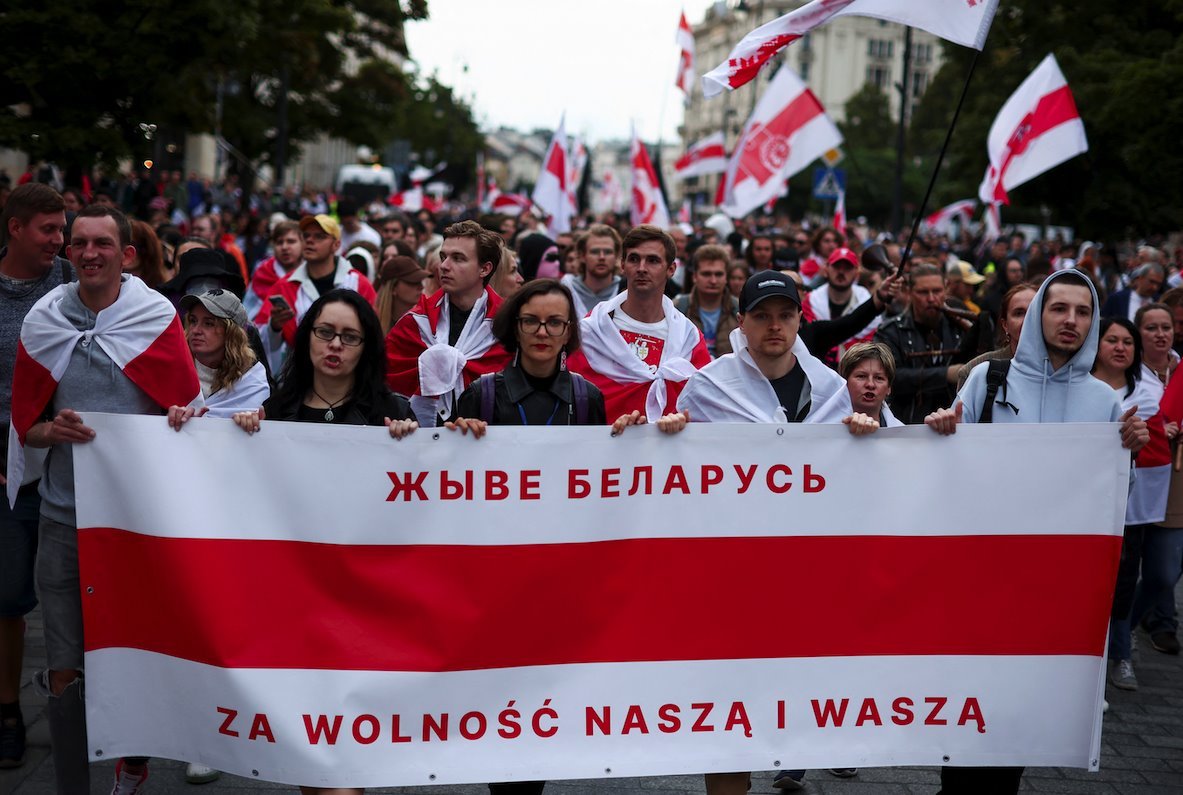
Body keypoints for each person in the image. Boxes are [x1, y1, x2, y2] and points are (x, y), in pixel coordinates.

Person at [925, 270, 1149, 795]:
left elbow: (1112, 497)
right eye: (1058, 308)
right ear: (1039, 315)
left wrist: (1128, 455)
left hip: (1049, 589)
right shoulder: (989, 380)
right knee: (969, 704)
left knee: (1019, 712)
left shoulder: (1104, 402)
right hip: (980, 578)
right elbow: (949, 469)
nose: (1070, 320)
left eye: (1083, 311)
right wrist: (940, 432)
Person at [627, 270, 849, 795]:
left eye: (786, 315)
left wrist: (865, 432)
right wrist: (667, 437)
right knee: (729, 697)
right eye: (762, 316)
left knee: (788, 687)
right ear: (742, 322)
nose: (775, 326)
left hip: (803, 570)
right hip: (731, 573)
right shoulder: (708, 387)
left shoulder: (832, 389)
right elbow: (679, 475)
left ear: (800, 319)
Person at [8, 205, 202, 794]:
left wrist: (180, 415)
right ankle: (73, 786)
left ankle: (134, 763)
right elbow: (26, 423)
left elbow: (189, 411)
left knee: (135, 659)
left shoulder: (154, 315)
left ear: (127, 255)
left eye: (102, 244)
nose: (89, 253)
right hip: (65, 517)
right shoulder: (44, 318)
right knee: (64, 667)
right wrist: (50, 431)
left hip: (136, 523)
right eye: (79, 243)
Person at [232, 289, 413, 795]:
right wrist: (237, 436)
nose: (335, 345)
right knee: (316, 759)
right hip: (298, 609)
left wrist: (416, 442)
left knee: (342, 763)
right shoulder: (276, 412)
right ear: (307, 336)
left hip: (365, 607)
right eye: (325, 332)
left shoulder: (391, 412)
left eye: (349, 337)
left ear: (365, 347)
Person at [0, 183, 72, 770]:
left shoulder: (74, 282)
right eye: (48, 229)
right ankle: (7, 712)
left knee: (73, 596)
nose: (59, 240)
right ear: (16, 229)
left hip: (68, 461)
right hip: (3, 467)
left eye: (62, 229)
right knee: (7, 599)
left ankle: (78, 707)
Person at [566, 225, 711, 423]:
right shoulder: (590, 333)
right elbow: (570, 402)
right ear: (623, 265)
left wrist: (680, 422)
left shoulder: (689, 340)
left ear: (671, 269)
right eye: (634, 259)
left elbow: (704, 406)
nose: (642, 268)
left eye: (652, 260)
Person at [385, 220, 511, 426]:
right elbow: (385, 389)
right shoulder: (414, 324)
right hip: (420, 450)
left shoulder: (508, 326)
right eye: (443, 257)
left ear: (484, 269)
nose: (443, 266)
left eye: (458, 258)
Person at [451, 278, 605, 430]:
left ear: (568, 333)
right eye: (531, 321)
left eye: (554, 322)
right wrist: (459, 436)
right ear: (516, 328)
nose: (542, 332)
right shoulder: (481, 395)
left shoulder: (588, 398)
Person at [254, 214, 377, 370]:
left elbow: (374, 335)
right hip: (300, 376)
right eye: (306, 236)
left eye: (319, 236)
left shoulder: (359, 284)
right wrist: (275, 326)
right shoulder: (284, 286)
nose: (310, 240)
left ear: (336, 245)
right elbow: (261, 340)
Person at [875, 262, 971, 424]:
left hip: (955, 424)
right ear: (909, 292)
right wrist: (945, 374)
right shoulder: (891, 331)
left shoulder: (961, 328)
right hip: (906, 425)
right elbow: (888, 378)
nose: (931, 298)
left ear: (946, 288)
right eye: (923, 292)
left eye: (937, 291)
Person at [171, 290, 271, 420]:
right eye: (193, 321)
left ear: (231, 333)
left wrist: (249, 423)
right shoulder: (171, 368)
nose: (195, 330)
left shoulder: (251, 379)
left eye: (208, 324)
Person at [803, 246, 881, 368]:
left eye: (847, 268)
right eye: (836, 266)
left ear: (857, 272)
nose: (841, 272)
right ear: (826, 269)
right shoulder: (810, 303)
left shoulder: (867, 303)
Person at [956, 283, 1037, 390]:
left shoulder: (1060, 368)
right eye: (1018, 313)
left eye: (1033, 311)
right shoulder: (975, 370)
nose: (1026, 320)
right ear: (1005, 325)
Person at [807, 342, 902, 430]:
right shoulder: (820, 428)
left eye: (879, 378)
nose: (870, 384)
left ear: (889, 388)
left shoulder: (903, 438)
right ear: (844, 382)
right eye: (861, 376)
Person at [673, 245, 738, 357]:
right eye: (706, 274)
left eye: (718, 274)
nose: (713, 281)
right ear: (694, 276)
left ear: (726, 277)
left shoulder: (740, 309)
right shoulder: (677, 308)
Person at [244, 219, 303, 319]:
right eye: (279, 242)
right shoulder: (262, 273)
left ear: (303, 244)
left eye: (291, 241)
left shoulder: (313, 271)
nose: (284, 247)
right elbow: (247, 315)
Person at [560, 224, 622, 317]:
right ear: (582, 256)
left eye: (608, 252)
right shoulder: (566, 290)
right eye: (595, 252)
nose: (602, 257)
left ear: (616, 256)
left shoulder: (626, 292)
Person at [373, 254, 428, 334]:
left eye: (420, 281)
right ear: (393, 288)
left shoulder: (425, 322)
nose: (421, 287)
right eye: (413, 282)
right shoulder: (372, 324)